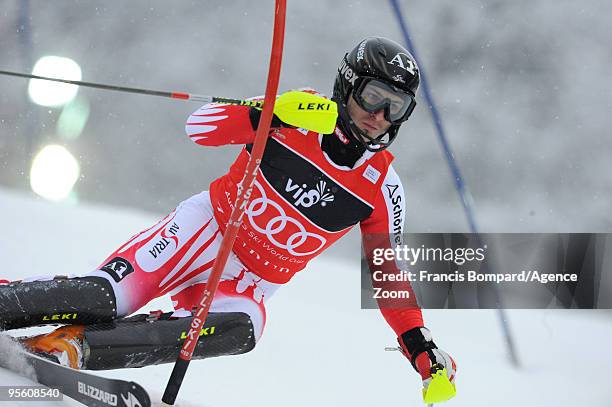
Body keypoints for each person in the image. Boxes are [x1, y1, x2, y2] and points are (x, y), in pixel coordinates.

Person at [0, 37, 456, 396]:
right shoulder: (301, 112)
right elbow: (198, 128)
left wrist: (419, 346)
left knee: (244, 328)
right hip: (203, 233)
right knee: (103, 299)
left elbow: (386, 275)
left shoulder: (382, 186)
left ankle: (72, 349)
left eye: (395, 107)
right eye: (373, 96)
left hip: (247, 283)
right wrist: (271, 113)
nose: (379, 116)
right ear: (348, 84)